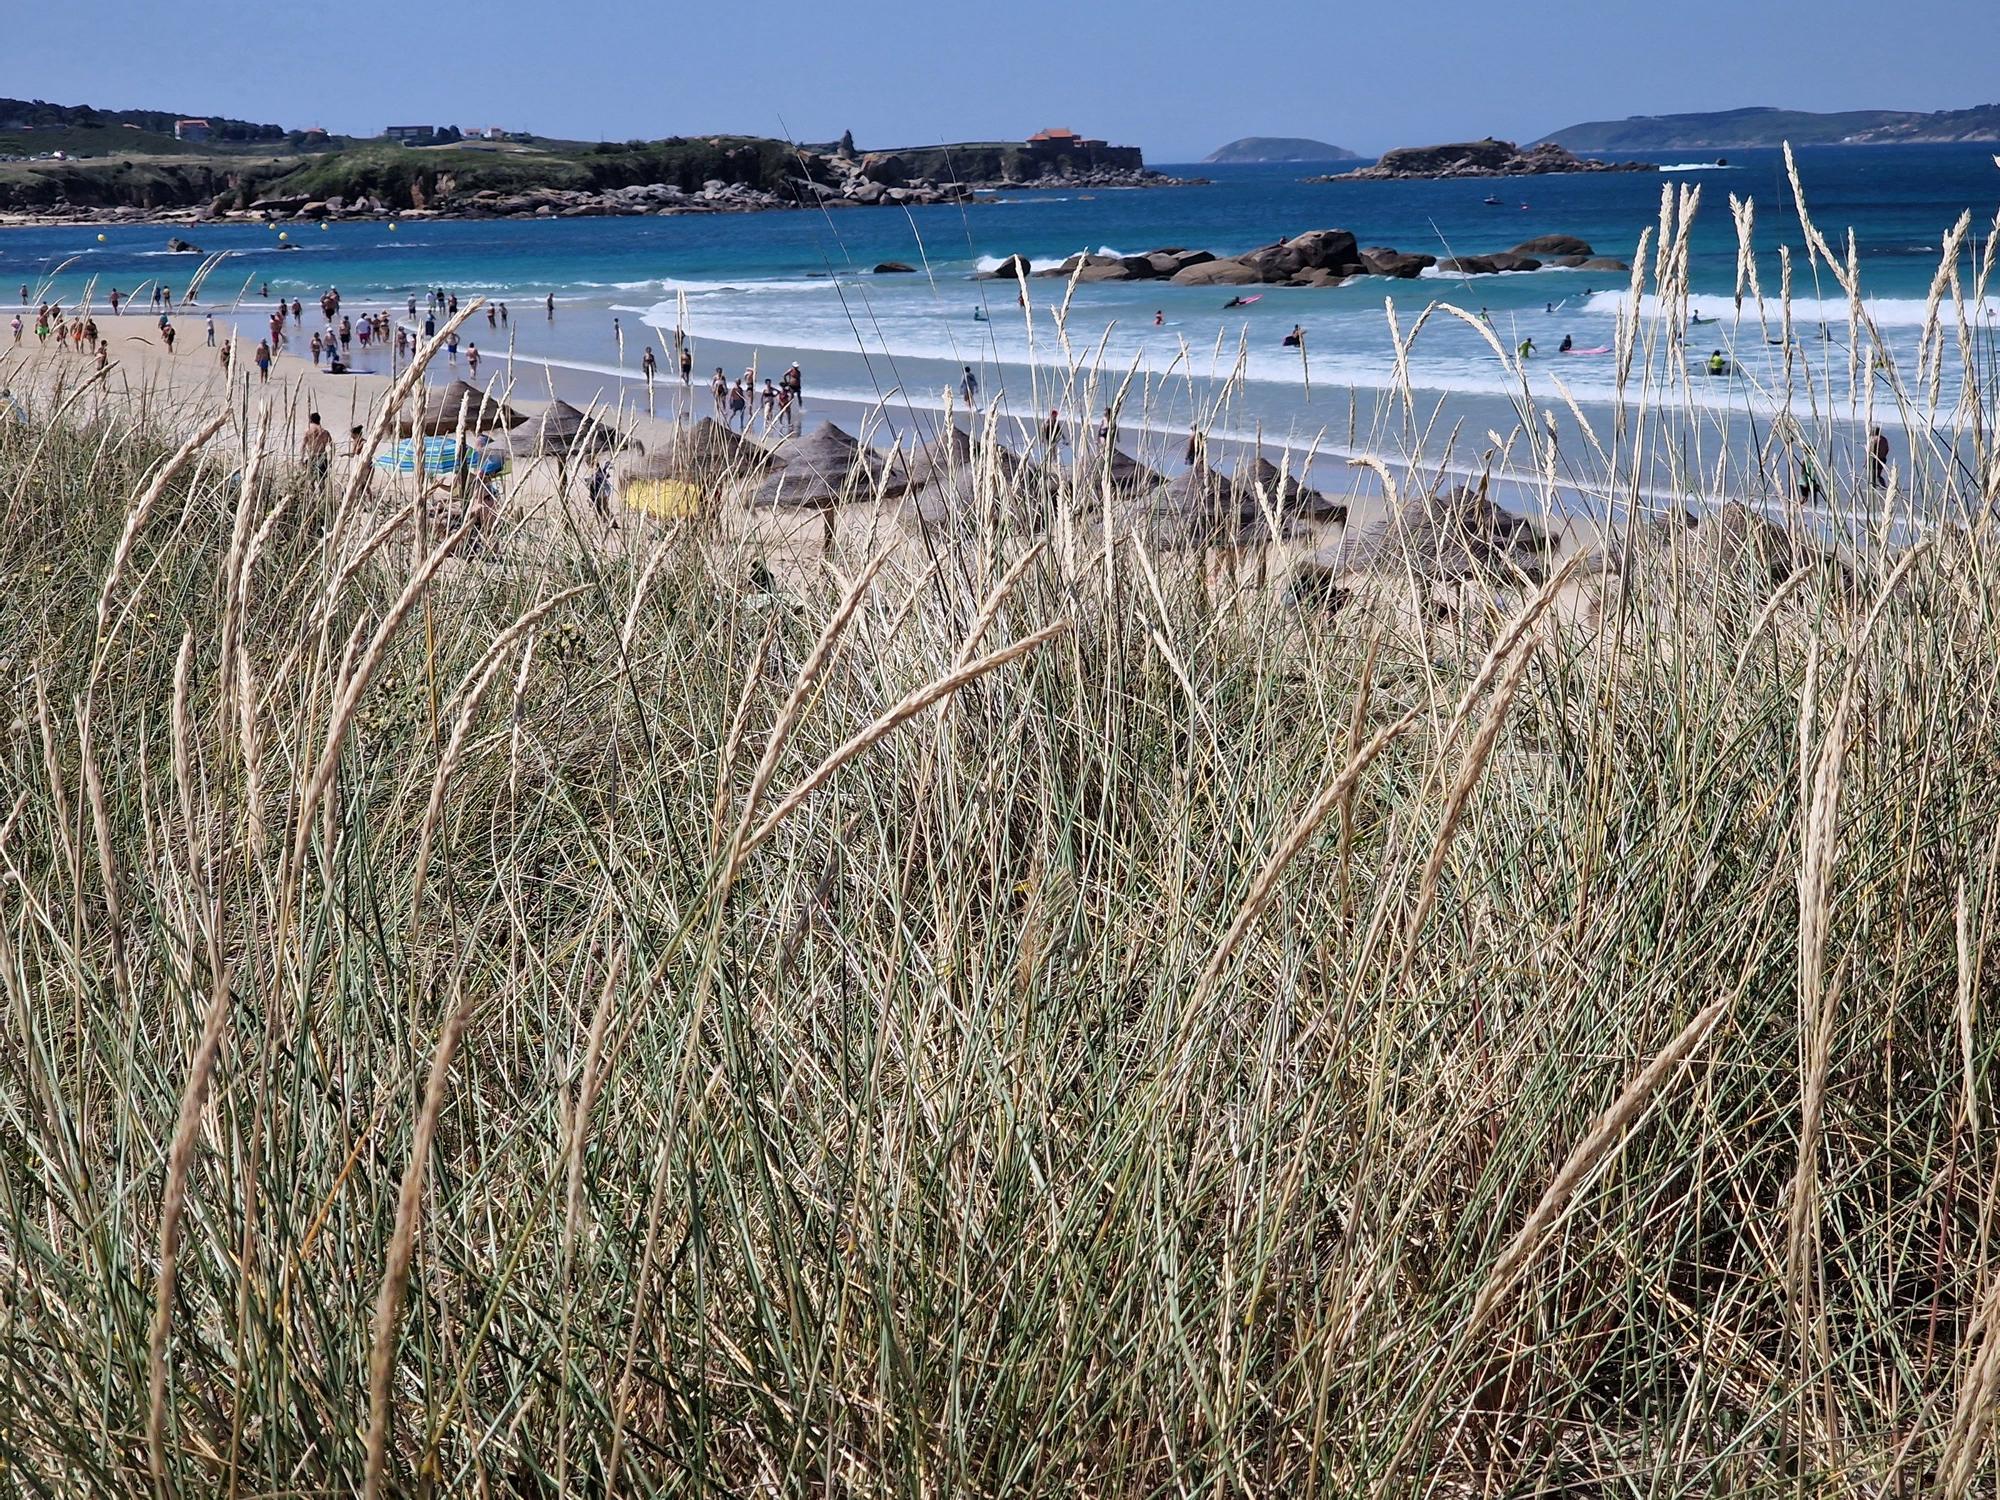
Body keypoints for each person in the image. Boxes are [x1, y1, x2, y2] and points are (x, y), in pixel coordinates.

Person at [301, 412, 333, 488]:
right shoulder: (325, 432)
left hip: (312, 457)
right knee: (321, 481)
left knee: (310, 480)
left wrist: (301, 459)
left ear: (310, 420)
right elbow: (331, 446)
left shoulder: (308, 431)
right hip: (322, 458)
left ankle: (313, 496)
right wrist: (330, 459)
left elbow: (303, 446)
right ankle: (321, 497)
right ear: (319, 420)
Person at [1867, 425, 1890, 490]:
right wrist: (1884, 456)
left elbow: (1871, 451)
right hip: (1882, 459)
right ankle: (1884, 486)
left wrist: (1867, 461)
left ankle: (1873, 488)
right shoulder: (1884, 439)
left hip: (1874, 459)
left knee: (1873, 475)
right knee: (1878, 475)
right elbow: (1887, 449)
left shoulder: (1873, 439)